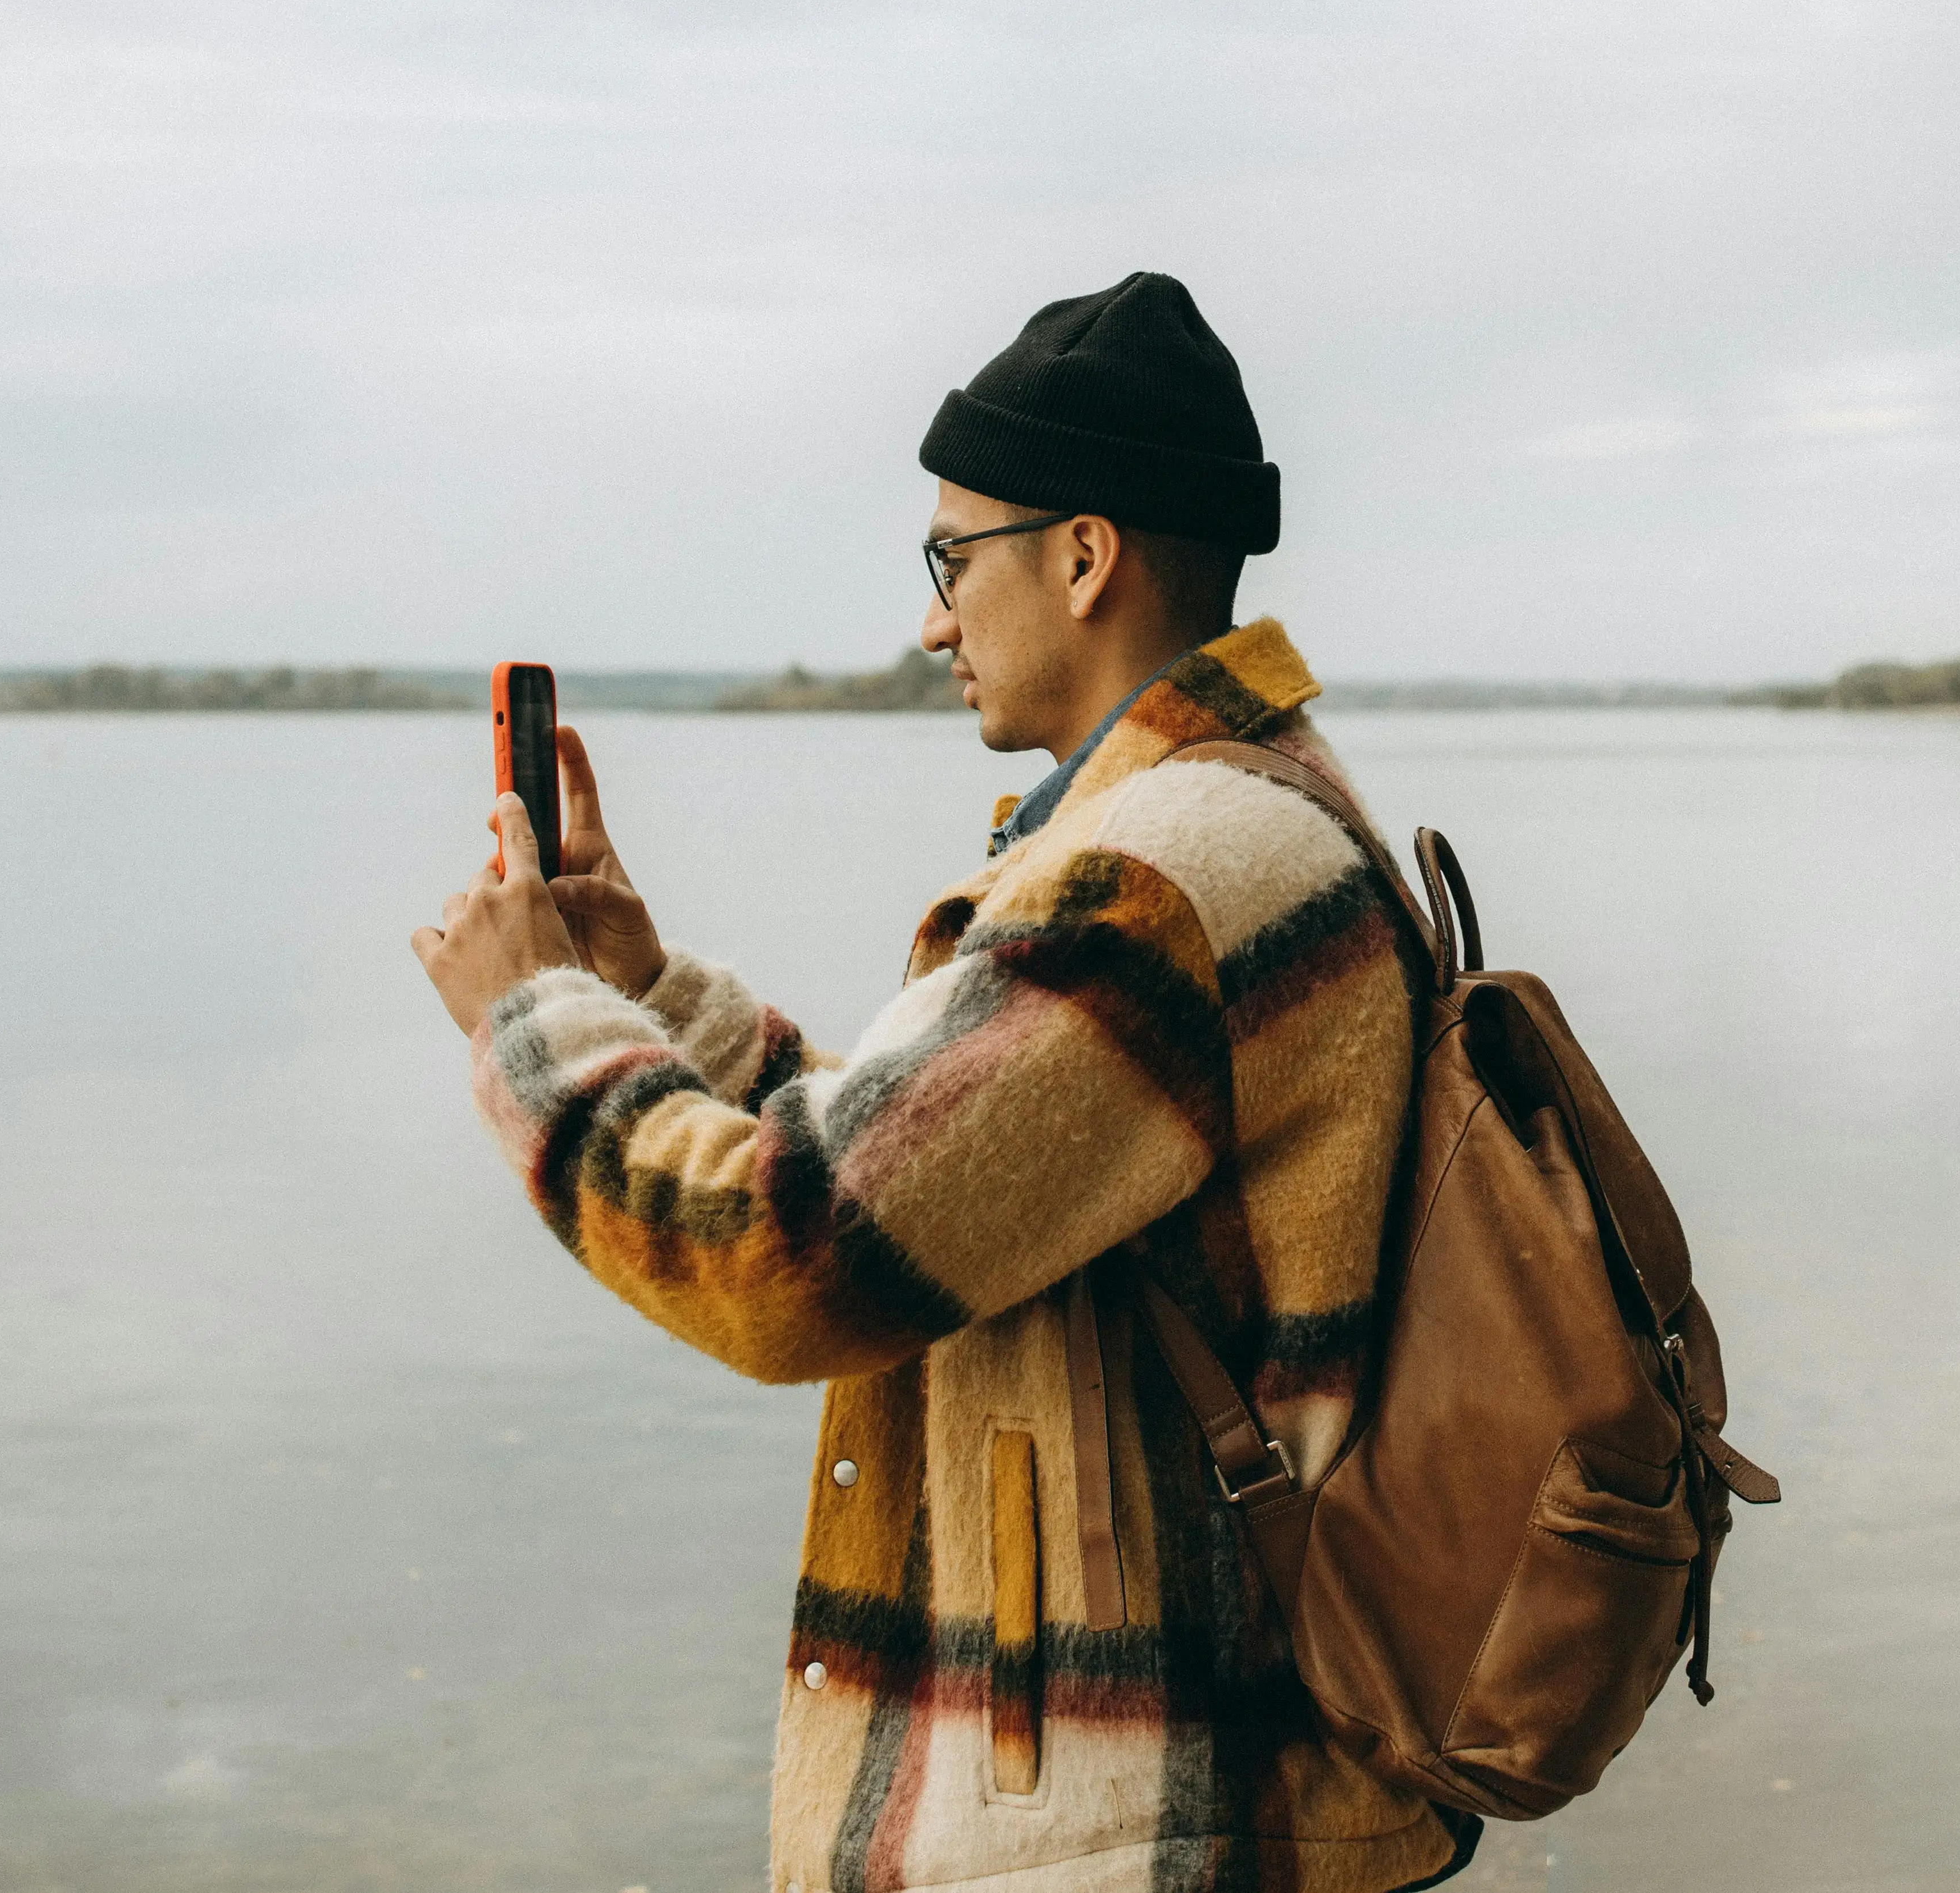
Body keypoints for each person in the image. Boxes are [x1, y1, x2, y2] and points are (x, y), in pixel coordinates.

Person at [413, 273, 1469, 1893]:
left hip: (1147, 1831)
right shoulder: (1250, 818)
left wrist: (530, 1022)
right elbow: (960, 1188)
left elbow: (796, 1258)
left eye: (951, 559)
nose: (929, 620)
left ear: (1084, 553)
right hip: (1199, 1804)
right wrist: (639, 985)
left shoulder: (1160, 875)